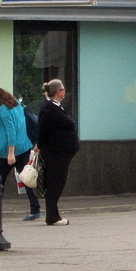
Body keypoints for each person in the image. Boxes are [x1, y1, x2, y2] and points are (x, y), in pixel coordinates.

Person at [37, 79, 79, 226]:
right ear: (58, 92)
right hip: (55, 153)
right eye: (63, 88)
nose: (65, 90)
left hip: (60, 152)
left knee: (57, 183)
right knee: (55, 183)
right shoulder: (49, 108)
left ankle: (53, 215)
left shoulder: (56, 107)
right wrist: (39, 145)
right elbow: (42, 129)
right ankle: (52, 216)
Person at [0, 87, 40, 221]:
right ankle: (35, 209)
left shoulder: (3, 110)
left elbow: (11, 131)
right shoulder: (17, 105)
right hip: (24, 146)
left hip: (9, 151)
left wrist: (10, 153)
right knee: (26, 178)